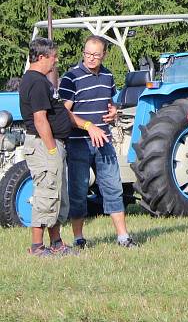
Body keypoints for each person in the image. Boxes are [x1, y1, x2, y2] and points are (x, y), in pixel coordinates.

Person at [18, 38, 109, 257]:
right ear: (41, 57)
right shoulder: (35, 82)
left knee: (58, 195)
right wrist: (51, 149)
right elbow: (40, 119)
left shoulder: (43, 81)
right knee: (46, 194)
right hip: (44, 146)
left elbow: (61, 112)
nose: (56, 60)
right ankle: (37, 247)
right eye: (52, 56)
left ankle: (57, 243)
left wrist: (86, 124)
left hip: (54, 145)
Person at [59, 36, 137, 249]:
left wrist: (114, 113)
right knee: (78, 190)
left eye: (95, 54)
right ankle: (78, 238)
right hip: (79, 143)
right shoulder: (70, 78)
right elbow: (64, 113)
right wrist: (88, 126)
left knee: (113, 188)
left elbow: (110, 105)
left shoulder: (108, 75)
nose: (91, 58)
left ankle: (123, 237)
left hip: (104, 140)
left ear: (104, 55)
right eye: (87, 53)